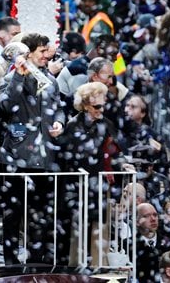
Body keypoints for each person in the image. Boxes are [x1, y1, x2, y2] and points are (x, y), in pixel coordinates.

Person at [0, 33, 65, 265]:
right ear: (29, 54)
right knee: (12, 214)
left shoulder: (51, 80)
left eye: (47, 51)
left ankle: (37, 261)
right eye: (42, 51)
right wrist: (18, 75)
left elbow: (57, 108)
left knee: (39, 213)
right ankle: (10, 262)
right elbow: (6, 106)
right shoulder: (10, 78)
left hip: (44, 156)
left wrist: (59, 122)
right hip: (16, 157)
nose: (48, 55)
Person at [57, 81, 110, 266]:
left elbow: (115, 149)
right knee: (78, 227)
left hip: (98, 183)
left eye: (103, 105)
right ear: (86, 105)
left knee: (100, 225)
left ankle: (99, 265)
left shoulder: (106, 124)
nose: (100, 110)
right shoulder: (73, 126)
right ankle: (75, 267)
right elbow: (71, 157)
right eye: (97, 106)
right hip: (77, 184)